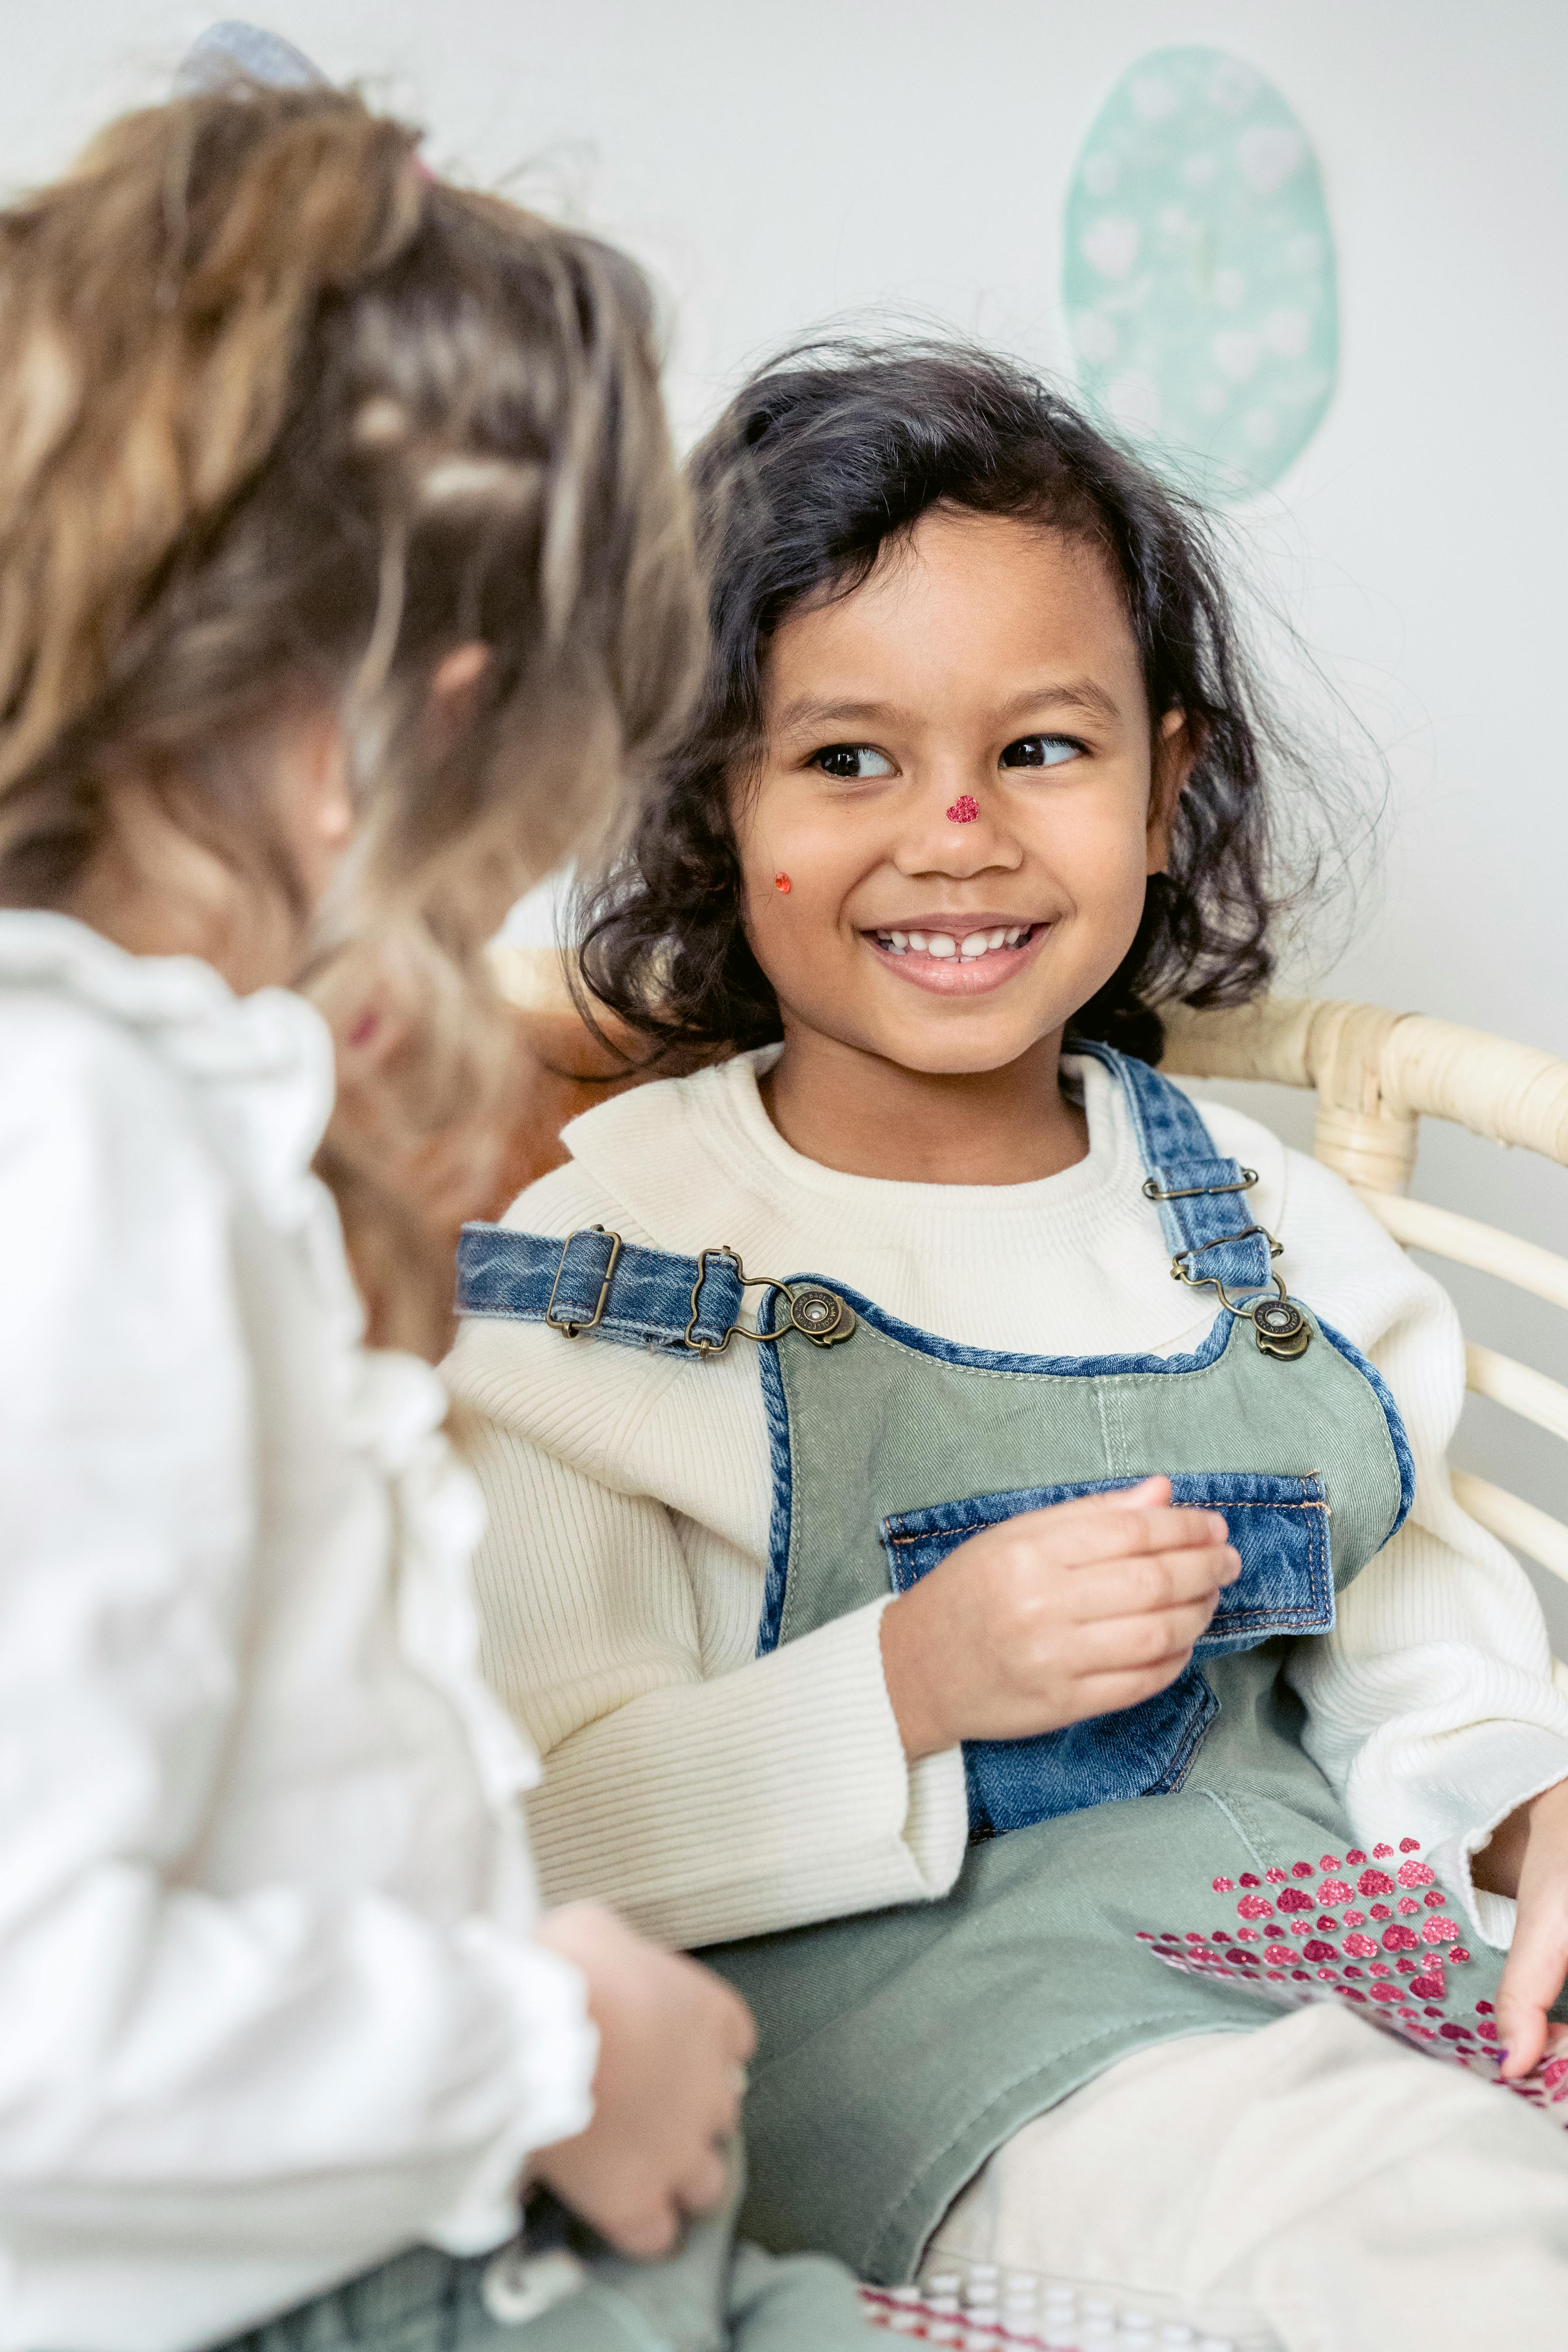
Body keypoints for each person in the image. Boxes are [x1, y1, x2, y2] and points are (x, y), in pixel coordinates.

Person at [446, 343, 1568, 2350]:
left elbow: (1419, 1648)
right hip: (956, 2092)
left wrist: (1521, 1809)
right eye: (848, 759)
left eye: (1041, 751)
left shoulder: (1260, 1228)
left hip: (1343, 2002)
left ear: (1169, 785)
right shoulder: (607, 1265)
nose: (954, 833)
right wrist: (911, 1678)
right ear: (716, 803)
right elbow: (531, 1836)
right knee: (1434, 2251)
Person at [0, 79, 873, 2352]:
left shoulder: (135, 1115)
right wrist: (545, 2044)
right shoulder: (82, 1153)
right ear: (379, 747)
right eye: (505, 825)